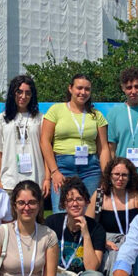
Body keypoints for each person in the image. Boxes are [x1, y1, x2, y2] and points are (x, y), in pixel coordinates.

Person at [41, 74, 110, 211]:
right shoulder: (56, 110)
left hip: (91, 169)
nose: (83, 92)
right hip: (63, 167)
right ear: (70, 88)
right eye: (79, 88)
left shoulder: (97, 115)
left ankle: (86, 233)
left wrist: (105, 176)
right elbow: (45, 141)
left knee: (91, 211)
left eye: (87, 89)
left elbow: (103, 149)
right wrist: (54, 171)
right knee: (61, 211)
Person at [45, 177, 107, 276]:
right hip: (55, 275)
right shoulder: (52, 223)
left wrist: (86, 234)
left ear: (86, 202)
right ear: (63, 204)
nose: (75, 204)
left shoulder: (96, 229)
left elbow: (92, 268)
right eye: (70, 200)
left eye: (79, 199)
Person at [0, 75, 49, 196]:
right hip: (8, 183)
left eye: (28, 93)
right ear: (12, 93)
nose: (23, 96)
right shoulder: (1, 119)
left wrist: (47, 178)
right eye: (19, 92)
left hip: (35, 181)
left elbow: (47, 152)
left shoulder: (40, 119)